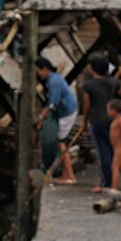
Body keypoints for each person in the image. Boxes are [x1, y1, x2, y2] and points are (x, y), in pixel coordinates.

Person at [81, 55, 121, 192]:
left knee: (103, 151)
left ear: (92, 68)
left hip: (97, 120)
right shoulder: (114, 82)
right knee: (114, 150)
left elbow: (87, 106)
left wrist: (84, 121)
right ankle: (114, 181)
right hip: (113, 120)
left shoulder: (88, 85)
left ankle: (107, 183)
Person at [36, 56, 78, 185]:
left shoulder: (54, 81)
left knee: (61, 143)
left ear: (45, 69)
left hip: (67, 113)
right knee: (60, 143)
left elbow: (52, 103)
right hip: (65, 111)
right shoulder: (53, 78)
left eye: (38, 70)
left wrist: (41, 116)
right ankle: (66, 175)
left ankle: (70, 176)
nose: (37, 73)